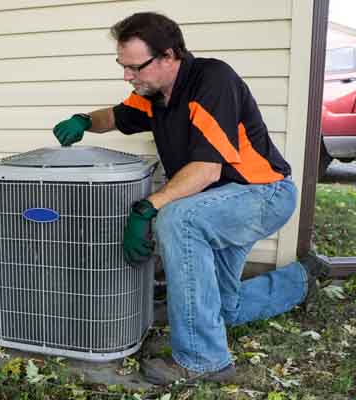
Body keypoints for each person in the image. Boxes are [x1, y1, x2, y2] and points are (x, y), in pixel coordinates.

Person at [52, 12, 329, 385]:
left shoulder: (212, 81)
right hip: (217, 203)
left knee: (177, 219)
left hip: (262, 194)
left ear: (168, 56)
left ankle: (203, 360)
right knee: (223, 307)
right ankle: (302, 278)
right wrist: (83, 120)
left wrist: (148, 208)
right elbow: (116, 117)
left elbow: (207, 170)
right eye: (123, 66)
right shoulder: (154, 95)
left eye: (135, 67)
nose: (127, 76)